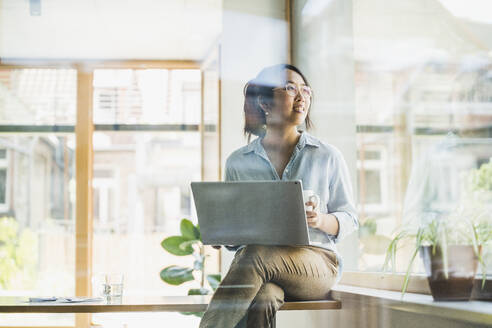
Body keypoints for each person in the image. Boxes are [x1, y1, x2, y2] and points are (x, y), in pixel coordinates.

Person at [199, 64, 358, 328]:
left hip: (317, 264)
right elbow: (236, 239)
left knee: (256, 254)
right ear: (264, 101)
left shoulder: (327, 155)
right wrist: (223, 233)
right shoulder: (238, 162)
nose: (302, 96)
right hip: (263, 268)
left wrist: (320, 220)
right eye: (290, 88)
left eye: (305, 90)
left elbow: (350, 218)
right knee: (264, 296)